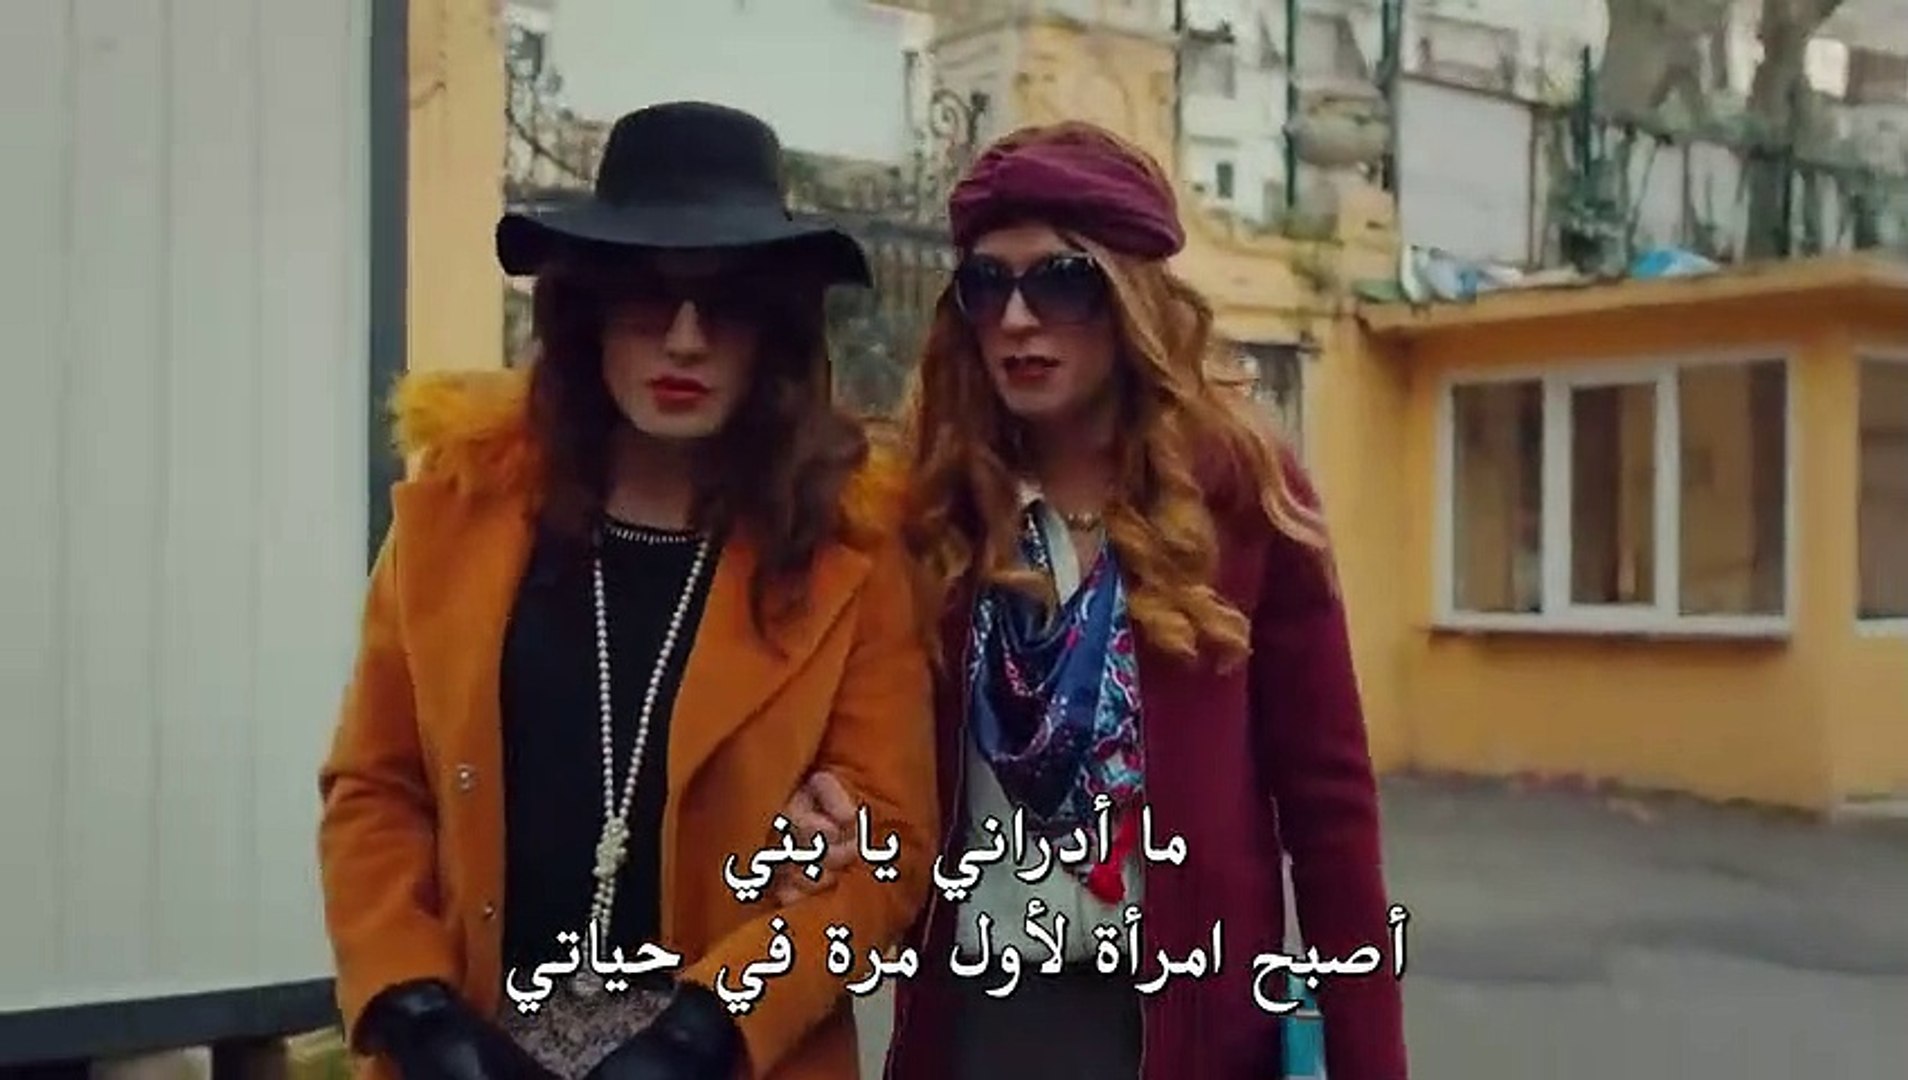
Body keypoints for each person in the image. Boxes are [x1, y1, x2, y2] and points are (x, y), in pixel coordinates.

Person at [317, 101, 938, 1080]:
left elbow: (887, 851)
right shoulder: (453, 518)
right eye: (647, 296)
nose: (684, 340)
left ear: (773, 333)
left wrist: (707, 1032)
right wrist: (414, 1005)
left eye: (725, 305)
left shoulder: (847, 559)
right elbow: (375, 789)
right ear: (589, 312)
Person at [777, 121, 1409, 1079]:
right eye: (987, 285)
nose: (1017, 319)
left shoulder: (1242, 497)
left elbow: (1330, 813)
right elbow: (851, 736)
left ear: (1129, 297)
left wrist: (1371, 1064)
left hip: (1189, 1035)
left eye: (1060, 282)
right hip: (981, 1021)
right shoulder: (931, 510)